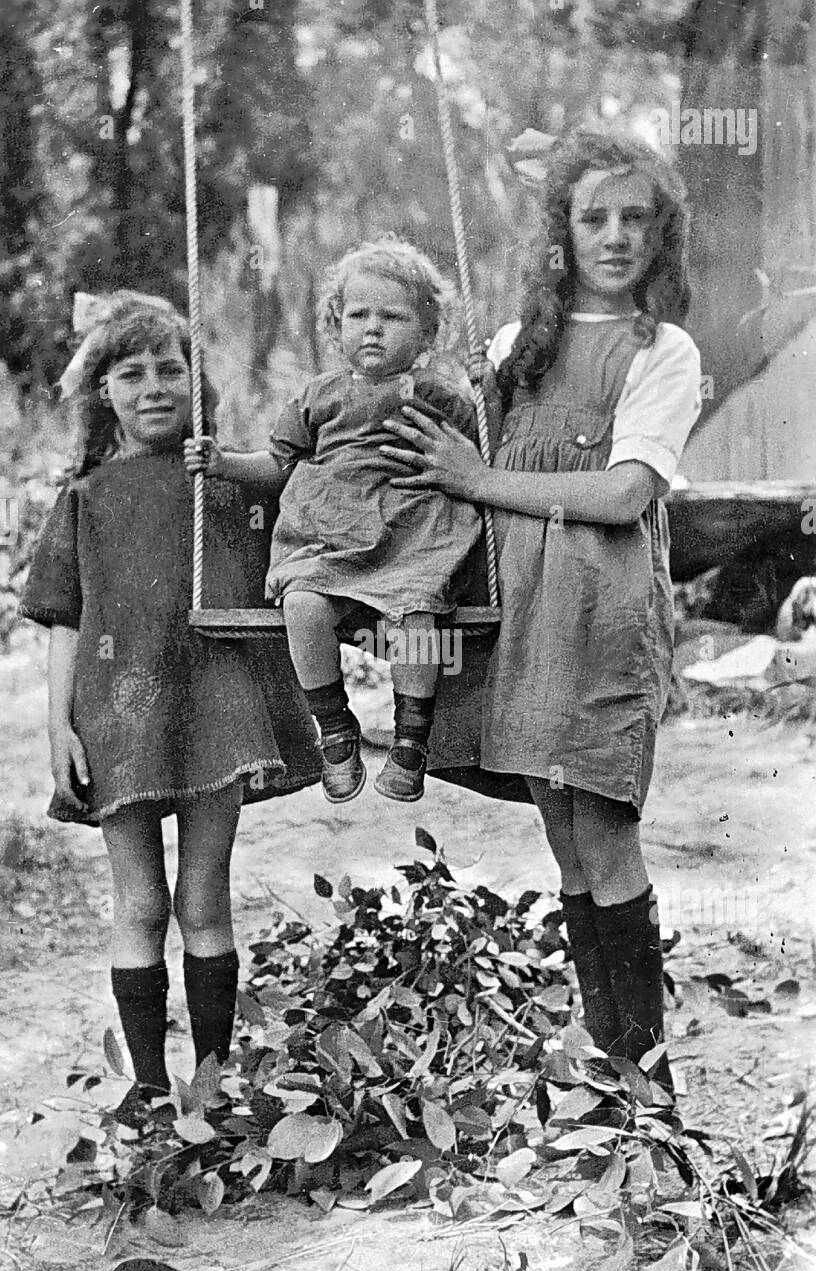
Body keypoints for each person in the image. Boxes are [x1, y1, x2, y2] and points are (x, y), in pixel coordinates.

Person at [380, 131, 702, 1113]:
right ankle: (614, 1062)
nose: (614, 236)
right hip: (523, 605)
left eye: (634, 218)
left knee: (605, 833)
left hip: (600, 611)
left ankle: (653, 1088)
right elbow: (463, 433)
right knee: (564, 837)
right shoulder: (528, 344)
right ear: (561, 232)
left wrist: (483, 477)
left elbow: (622, 491)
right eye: (591, 217)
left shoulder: (664, 351)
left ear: (661, 234)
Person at [19, 291, 321, 1108]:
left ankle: (213, 1084)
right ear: (103, 393)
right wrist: (58, 732)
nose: (154, 386)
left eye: (169, 368)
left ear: (195, 381)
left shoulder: (223, 486)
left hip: (215, 711)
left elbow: (299, 539)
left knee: (203, 895)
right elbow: (63, 624)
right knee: (142, 901)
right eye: (131, 373)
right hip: (118, 717)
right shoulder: (88, 498)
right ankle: (152, 1095)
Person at [265, 239, 484, 804]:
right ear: (336, 325)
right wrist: (218, 465)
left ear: (427, 331)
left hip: (411, 535)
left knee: (419, 617)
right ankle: (335, 731)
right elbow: (277, 463)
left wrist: (490, 391)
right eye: (358, 314)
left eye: (393, 316)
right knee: (303, 605)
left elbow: (485, 449)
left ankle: (411, 742)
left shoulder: (438, 393)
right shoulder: (319, 395)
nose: (373, 328)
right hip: (332, 531)